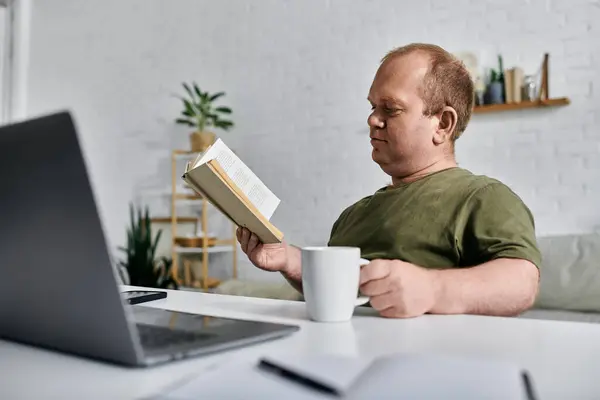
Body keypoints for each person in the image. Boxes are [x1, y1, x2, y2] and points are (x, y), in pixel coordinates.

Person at [236, 43, 541, 319]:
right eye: (372, 107)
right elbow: (341, 292)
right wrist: (287, 258)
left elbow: (521, 282)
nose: (372, 119)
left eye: (390, 109)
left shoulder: (483, 197)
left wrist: (432, 289)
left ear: (443, 124)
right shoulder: (354, 214)